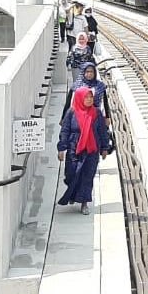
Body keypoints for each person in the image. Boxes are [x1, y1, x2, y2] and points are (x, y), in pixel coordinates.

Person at [57, 86, 112, 215]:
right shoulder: (71, 112)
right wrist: (61, 148)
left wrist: (105, 147)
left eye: (90, 97)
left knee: (87, 177)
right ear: (80, 98)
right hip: (74, 148)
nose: (89, 99)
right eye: (86, 97)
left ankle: (84, 203)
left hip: (91, 150)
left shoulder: (96, 113)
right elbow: (65, 131)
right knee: (71, 174)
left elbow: (102, 131)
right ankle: (73, 193)